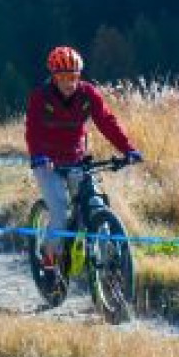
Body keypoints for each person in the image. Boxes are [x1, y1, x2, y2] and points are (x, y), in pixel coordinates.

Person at [26, 45, 140, 273]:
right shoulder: (40, 97)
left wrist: (128, 149)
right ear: (54, 77)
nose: (70, 83)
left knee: (96, 204)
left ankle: (108, 259)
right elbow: (33, 130)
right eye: (64, 77)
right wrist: (38, 155)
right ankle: (49, 257)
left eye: (74, 77)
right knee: (59, 211)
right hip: (47, 162)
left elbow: (107, 122)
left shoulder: (88, 94)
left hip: (76, 159)